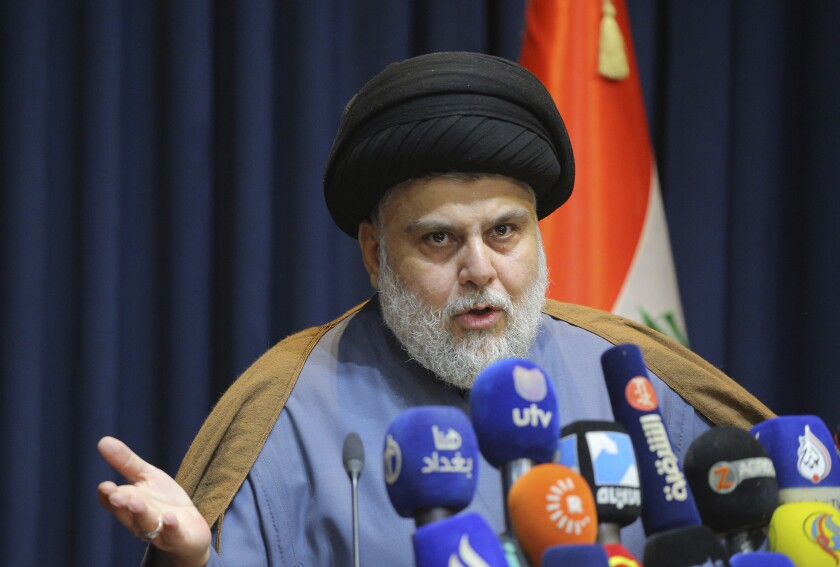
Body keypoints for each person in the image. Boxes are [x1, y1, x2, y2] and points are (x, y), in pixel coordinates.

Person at [98, 52, 773, 566]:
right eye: (439, 239)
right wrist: (193, 562)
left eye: (504, 231)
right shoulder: (286, 408)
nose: (479, 269)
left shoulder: (633, 378)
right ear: (374, 251)